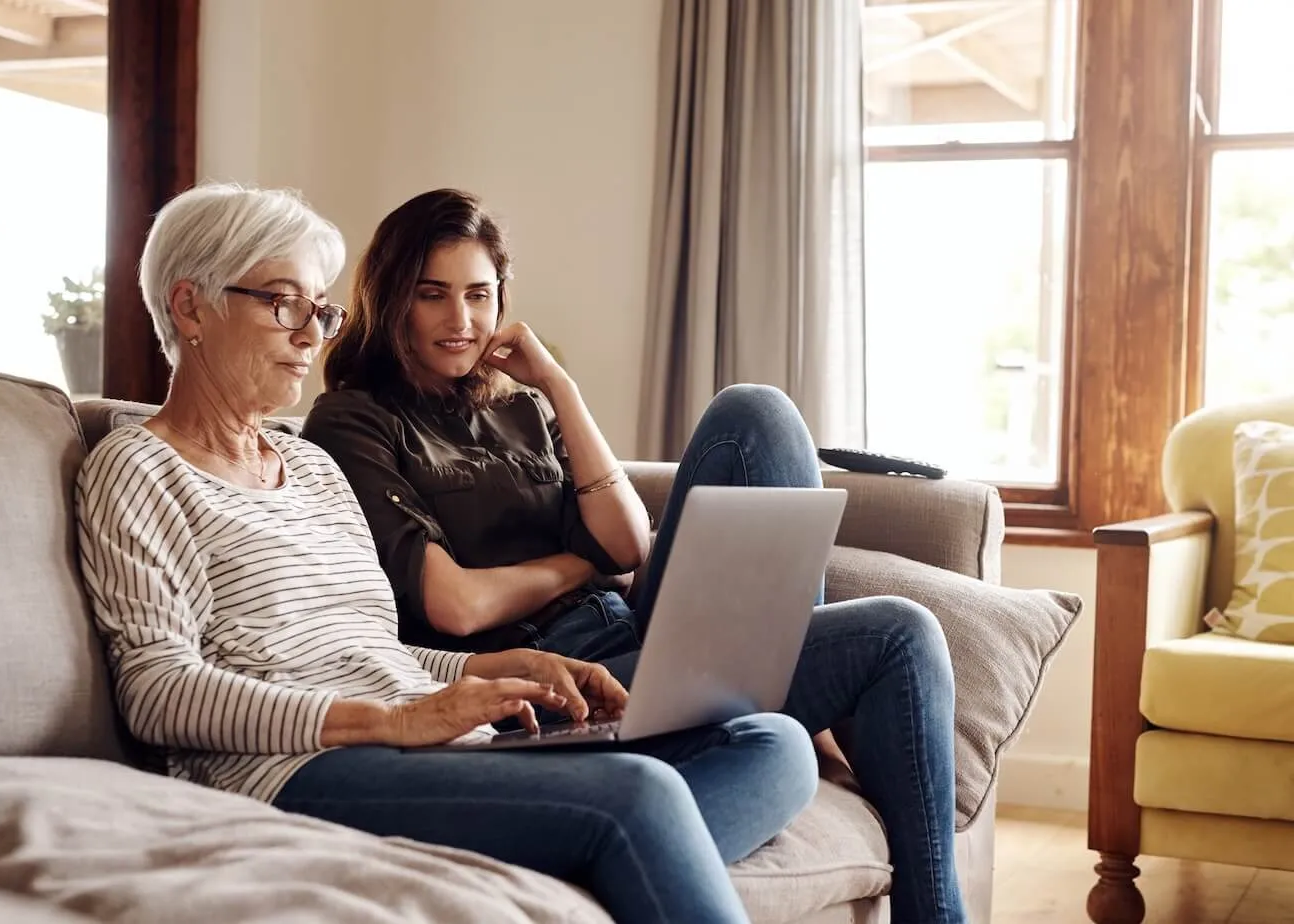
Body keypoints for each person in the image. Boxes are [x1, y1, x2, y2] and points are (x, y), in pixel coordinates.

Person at [74, 183, 819, 924]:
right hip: (300, 769)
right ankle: (620, 850)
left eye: (319, 310)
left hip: (431, 741)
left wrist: (498, 670)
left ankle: (605, 865)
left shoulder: (309, 467)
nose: (310, 335)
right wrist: (388, 722)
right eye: (281, 304)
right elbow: (156, 691)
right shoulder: (138, 469)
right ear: (189, 306)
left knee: (774, 743)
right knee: (643, 796)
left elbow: (372, 646)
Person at [301, 188, 967, 924]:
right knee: (882, 649)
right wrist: (580, 565)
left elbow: (627, 544)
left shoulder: (520, 405)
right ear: (391, 297)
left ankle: (773, 701)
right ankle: (932, 911)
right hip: (547, 681)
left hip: (634, 633)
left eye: (479, 295)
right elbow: (456, 606)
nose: (461, 321)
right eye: (433, 296)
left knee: (758, 414)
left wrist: (559, 385)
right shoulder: (352, 420)